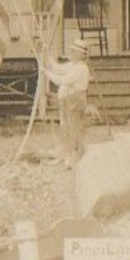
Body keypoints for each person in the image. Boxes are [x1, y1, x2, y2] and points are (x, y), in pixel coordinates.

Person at [41, 37, 92, 166]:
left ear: (81, 55)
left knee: (73, 129)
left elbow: (63, 80)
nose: (71, 53)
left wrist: (46, 73)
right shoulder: (73, 65)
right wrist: (46, 53)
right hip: (68, 100)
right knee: (65, 128)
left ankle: (73, 158)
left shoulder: (81, 68)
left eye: (74, 52)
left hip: (75, 100)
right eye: (71, 51)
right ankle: (66, 156)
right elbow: (57, 68)